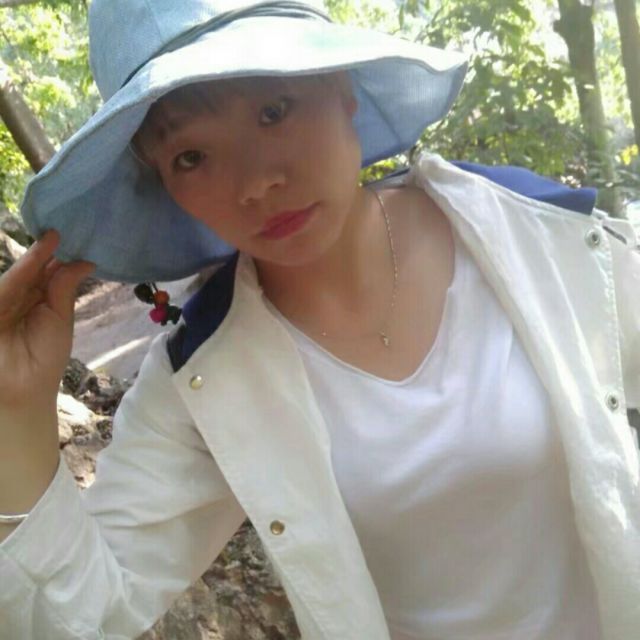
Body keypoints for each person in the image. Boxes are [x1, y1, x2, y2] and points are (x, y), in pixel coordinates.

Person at [0, 0, 639, 638]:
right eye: (191, 157)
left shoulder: (533, 233)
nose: (254, 183)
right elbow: (84, 615)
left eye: (272, 112)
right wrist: (19, 411)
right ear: (165, 185)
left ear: (342, 87)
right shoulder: (203, 378)